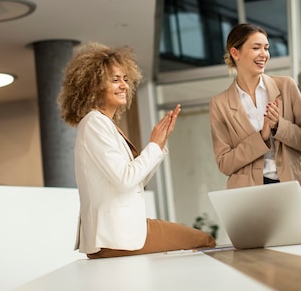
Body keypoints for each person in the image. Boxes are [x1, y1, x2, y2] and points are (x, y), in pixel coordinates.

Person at [58, 42, 216, 258]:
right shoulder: (94, 123)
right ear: (93, 85)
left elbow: (136, 181)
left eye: (125, 79)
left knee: (199, 244)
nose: (124, 85)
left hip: (122, 233)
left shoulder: (104, 123)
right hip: (116, 236)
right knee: (205, 240)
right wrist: (152, 145)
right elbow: (125, 180)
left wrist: (158, 145)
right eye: (115, 79)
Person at [209, 23, 301, 209]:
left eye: (266, 48)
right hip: (249, 195)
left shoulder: (286, 86)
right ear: (235, 53)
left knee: (300, 239)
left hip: (291, 187)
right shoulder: (220, 104)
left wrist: (279, 126)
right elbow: (225, 164)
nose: (264, 54)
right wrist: (261, 138)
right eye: (256, 48)